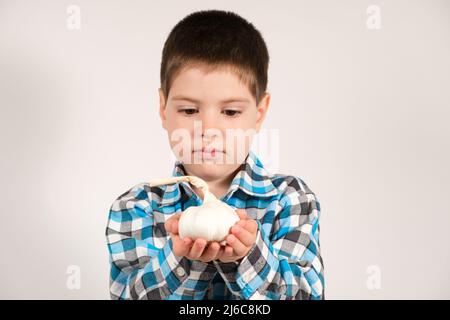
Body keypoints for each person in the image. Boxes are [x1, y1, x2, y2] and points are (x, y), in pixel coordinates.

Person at [106, 9, 324, 300]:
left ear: (259, 113)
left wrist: (248, 256)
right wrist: (179, 258)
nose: (208, 129)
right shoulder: (136, 207)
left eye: (230, 112)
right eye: (189, 110)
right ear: (163, 108)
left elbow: (306, 295)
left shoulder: (290, 200)